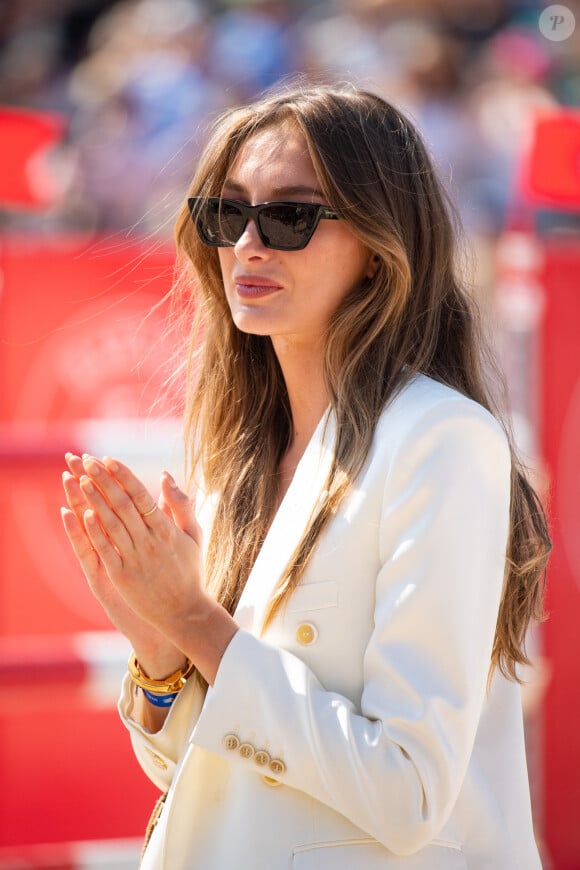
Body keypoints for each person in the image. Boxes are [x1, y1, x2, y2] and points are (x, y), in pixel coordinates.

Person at [61, 83, 551, 869]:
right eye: (228, 214)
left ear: (381, 246)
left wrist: (195, 622)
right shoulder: (241, 455)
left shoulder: (442, 439)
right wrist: (158, 654)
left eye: (290, 216)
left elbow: (408, 793)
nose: (248, 245)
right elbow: (206, 774)